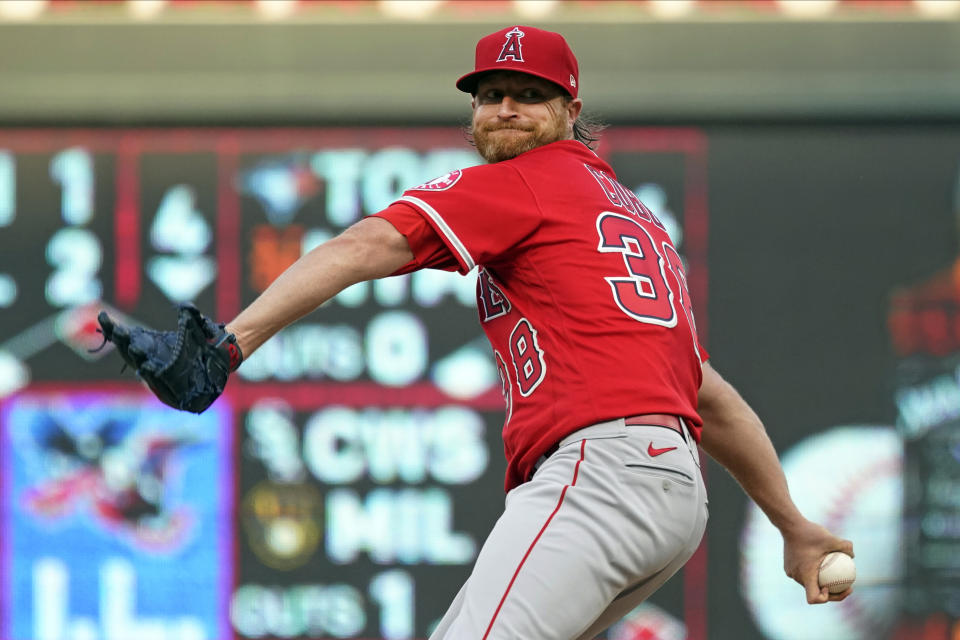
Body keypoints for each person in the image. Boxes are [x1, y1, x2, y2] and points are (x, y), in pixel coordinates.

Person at [198, 25, 854, 639]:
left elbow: (366, 243)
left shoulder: (526, 183)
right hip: (671, 497)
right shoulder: (630, 218)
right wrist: (791, 523)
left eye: (530, 95)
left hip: (601, 476)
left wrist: (233, 343)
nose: (506, 108)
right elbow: (706, 394)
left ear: (572, 111)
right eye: (490, 96)